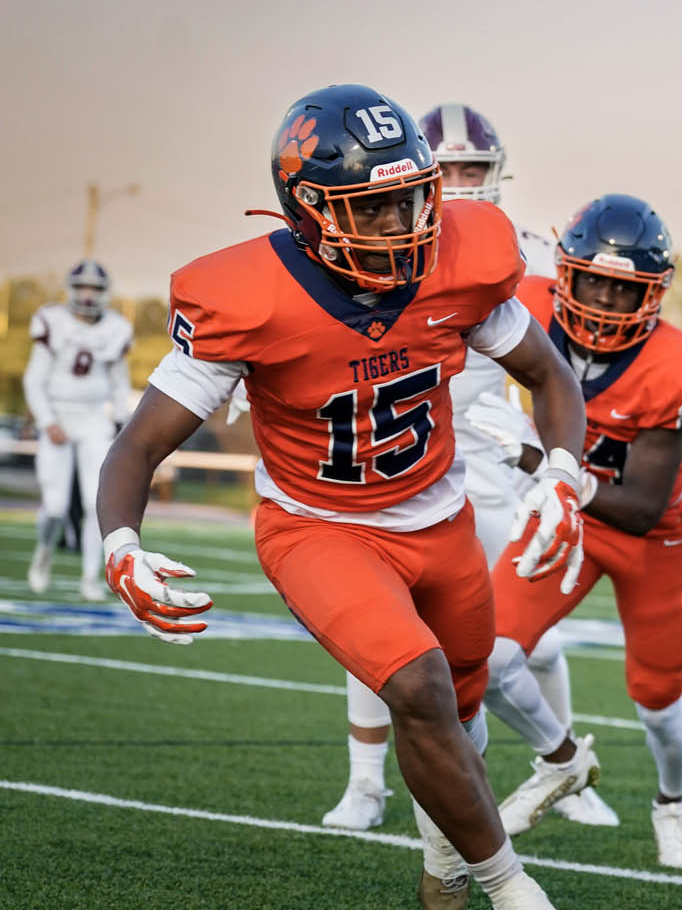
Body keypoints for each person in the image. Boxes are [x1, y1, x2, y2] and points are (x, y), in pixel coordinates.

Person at [95, 84, 586, 910]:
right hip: (319, 529)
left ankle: (443, 874)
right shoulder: (247, 297)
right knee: (420, 688)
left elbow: (549, 376)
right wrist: (120, 543)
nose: (407, 224)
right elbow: (138, 445)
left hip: (442, 520)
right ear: (311, 209)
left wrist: (565, 473)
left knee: (459, 710)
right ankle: (513, 890)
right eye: (379, 206)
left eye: (413, 198)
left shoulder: (460, 263)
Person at [321, 102, 618, 837]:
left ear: (497, 174)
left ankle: (566, 769)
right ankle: (365, 782)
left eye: (472, 170)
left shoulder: (528, 254)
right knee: (377, 629)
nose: (458, 182)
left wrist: (550, 449)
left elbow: (568, 361)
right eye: (445, 169)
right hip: (396, 457)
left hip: (491, 455)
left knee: (534, 636)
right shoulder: (367, 240)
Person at [471, 193, 682, 869]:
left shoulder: (679, 367)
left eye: (625, 289)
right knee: (486, 661)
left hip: (652, 538)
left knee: (659, 705)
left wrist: (536, 459)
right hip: (567, 518)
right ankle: (562, 761)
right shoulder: (525, 302)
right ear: (565, 273)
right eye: (594, 282)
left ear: (654, 294)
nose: (606, 301)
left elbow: (641, 506)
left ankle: (673, 802)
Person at [23, 259, 134, 601]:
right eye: (83, 287)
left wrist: (120, 423)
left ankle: (90, 578)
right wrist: (47, 421)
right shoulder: (52, 320)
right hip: (58, 415)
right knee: (55, 506)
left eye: (96, 289)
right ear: (71, 289)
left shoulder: (115, 327)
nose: (88, 295)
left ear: (105, 293)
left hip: (92, 419)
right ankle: (43, 554)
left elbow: (119, 383)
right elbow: (33, 379)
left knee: (94, 502)